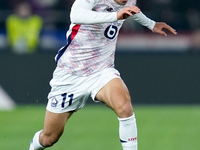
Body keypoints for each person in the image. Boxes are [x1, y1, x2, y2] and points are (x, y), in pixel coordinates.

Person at [29, 0, 177, 150]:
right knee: (49, 138)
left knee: (124, 106)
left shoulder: (129, 0)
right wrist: (115, 16)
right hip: (70, 72)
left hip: (102, 70)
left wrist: (151, 24)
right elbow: (76, 15)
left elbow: (130, 10)